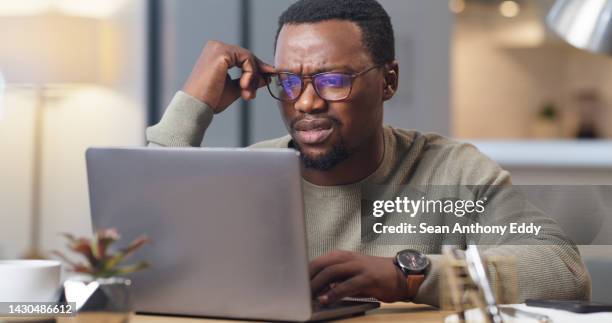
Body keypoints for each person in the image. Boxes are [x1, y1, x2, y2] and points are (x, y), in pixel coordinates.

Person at [146, 0, 590, 306]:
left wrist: (408, 277)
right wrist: (192, 104)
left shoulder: (451, 172)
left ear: (389, 81)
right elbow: (133, 256)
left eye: (333, 80)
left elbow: (563, 273)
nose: (305, 103)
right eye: (287, 82)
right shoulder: (248, 177)